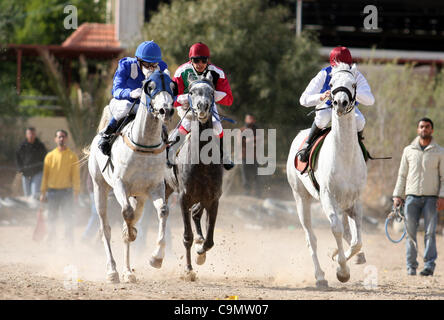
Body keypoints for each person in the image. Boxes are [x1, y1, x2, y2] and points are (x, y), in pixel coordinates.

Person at [298, 46, 375, 162]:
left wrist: (352, 92)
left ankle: (358, 146)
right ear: (332, 66)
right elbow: (303, 99)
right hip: (328, 106)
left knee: (360, 120)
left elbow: (370, 100)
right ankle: (308, 144)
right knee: (322, 117)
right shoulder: (324, 73)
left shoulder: (356, 74)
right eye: (337, 68)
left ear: (350, 66)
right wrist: (321, 96)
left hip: (348, 108)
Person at [168, 42, 234, 170]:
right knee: (187, 124)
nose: (200, 64)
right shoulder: (181, 72)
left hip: (207, 104)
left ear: (208, 60)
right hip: (187, 105)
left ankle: (223, 155)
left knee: (216, 124)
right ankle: (171, 153)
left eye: (203, 60)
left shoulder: (217, 72)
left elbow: (229, 99)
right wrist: (185, 98)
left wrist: (211, 94)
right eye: (196, 60)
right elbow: (171, 99)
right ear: (190, 60)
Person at [393, 118, 444, 276]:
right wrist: (397, 195)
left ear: (432, 130)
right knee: (410, 234)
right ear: (417, 130)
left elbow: (443, 177)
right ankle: (411, 266)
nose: (424, 129)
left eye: (427, 127)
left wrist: (442, 196)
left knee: (430, 233)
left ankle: (429, 265)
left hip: (431, 198)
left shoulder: (439, 152)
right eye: (421, 127)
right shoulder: (408, 150)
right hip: (411, 198)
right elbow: (402, 175)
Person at [98, 40, 169, 156]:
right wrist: (130, 93)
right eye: (147, 64)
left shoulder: (161, 67)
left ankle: (166, 146)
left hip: (145, 106)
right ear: (138, 60)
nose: (151, 68)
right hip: (123, 103)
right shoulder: (126, 65)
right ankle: (106, 136)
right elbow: (116, 90)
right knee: (126, 106)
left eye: (154, 65)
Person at [40, 130, 80, 246]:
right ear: (55, 139)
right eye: (59, 137)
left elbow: (76, 177)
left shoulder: (72, 156)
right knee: (51, 218)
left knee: (68, 218)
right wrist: (43, 192)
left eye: (63, 137)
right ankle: (51, 242)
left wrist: (76, 193)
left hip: (67, 193)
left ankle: (69, 244)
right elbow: (45, 176)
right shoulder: (49, 156)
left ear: (66, 139)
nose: (61, 139)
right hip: (52, 193)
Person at [15, 127, 47, 201]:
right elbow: (17, 158)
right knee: (27, 195)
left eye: (33, 134)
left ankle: (35, 210)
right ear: (26, 135)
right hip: (25, 173)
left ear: (35, 134)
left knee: (35, 193)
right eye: (29, 134)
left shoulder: (40, 145)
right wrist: (20, 168)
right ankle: (28, 211)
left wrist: (41, 165)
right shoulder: (22, 146)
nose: (31, 135)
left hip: (37, 172)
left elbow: (45, 158)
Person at [238, 114, 261, 196]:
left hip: (255, 157)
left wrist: (251, 140)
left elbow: (260, 141)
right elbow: (239, 143)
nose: (250, 120)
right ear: (246, 120)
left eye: (252, 119)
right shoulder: (242, 130)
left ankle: (257, 193)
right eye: (249, 118)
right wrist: (251, 141)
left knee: (256, 176)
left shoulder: (257, 130)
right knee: (245, 176)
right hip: (244, 157)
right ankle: (246, 192)